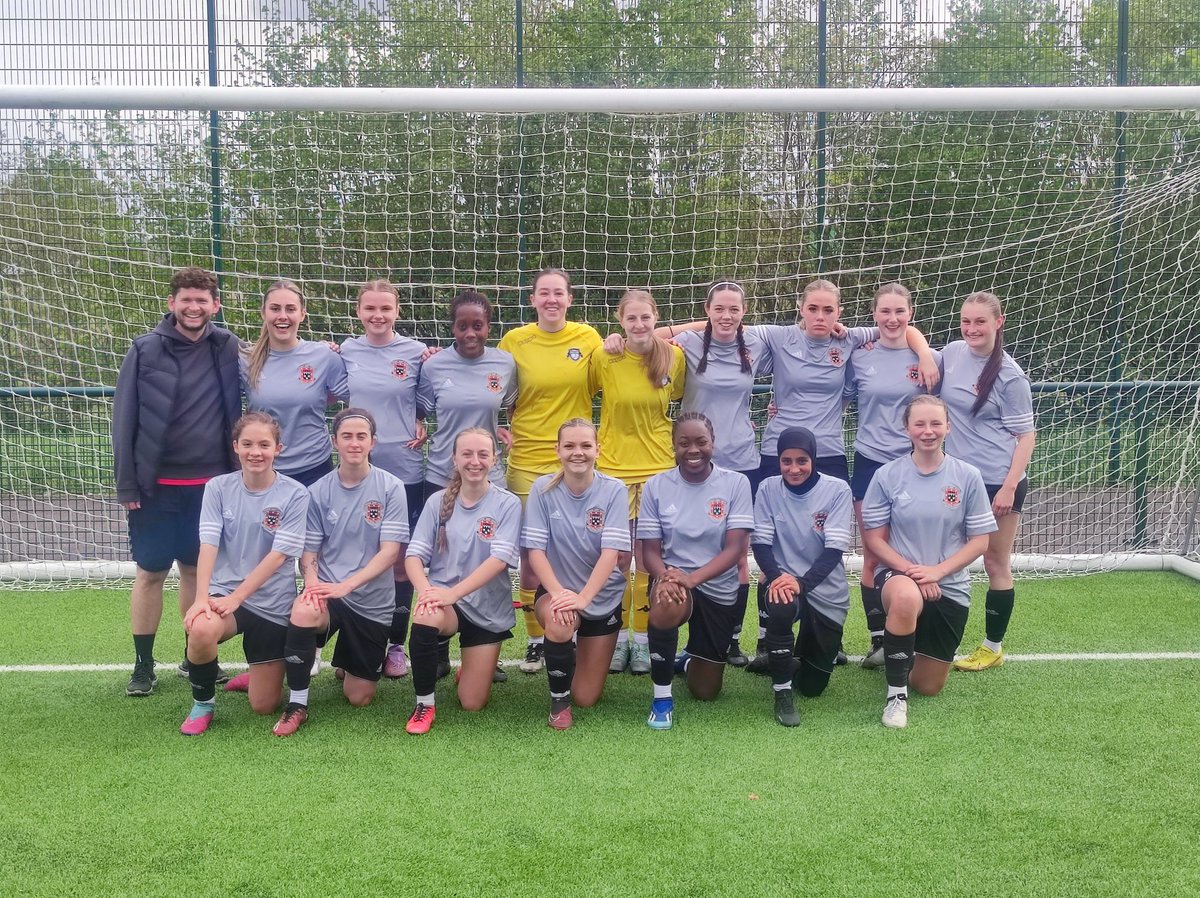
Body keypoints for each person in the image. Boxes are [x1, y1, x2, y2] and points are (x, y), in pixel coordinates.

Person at [743, 277, 938, 673]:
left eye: (828, 309)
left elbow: (901, 324)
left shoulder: (850, 340)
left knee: (826, 545)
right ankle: (769, 638)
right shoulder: (779, 337)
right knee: (771, 546)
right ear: (800, 308)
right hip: (778, 450)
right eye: (812, 308)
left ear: (840, 314)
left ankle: (826, 634)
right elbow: (721, 325)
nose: (820, 315)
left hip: (829, 453)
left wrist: (926, 355)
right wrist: (673, 333)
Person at [602, 278, 773, 667]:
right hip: (691, 456)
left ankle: (730, 638)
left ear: (745, 312)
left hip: (741, 459)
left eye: (734, 309)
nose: (727, 315)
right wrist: (617, 336)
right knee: (673, 544)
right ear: (706, 310)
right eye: (719, 308)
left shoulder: (758, 343)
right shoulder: (690, 345)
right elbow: (647, 333)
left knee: (737, 555)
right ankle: (648, 633)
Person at [112, 265, 241, 697]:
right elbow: (124, 419)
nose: (193, 306)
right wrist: (128, 484)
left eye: (202, 300)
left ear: (214, 306)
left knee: (194, 572)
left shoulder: (227, 346)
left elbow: (275, 354)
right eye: (185, 299)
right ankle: (143, 665)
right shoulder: (145, 349)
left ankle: (193, 656)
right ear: (172, 304)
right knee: (150, 572)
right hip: (156, 486)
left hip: (211, 488)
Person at [861, 395, 997, 728]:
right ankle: (896, 697)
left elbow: (981, 541)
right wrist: (914, 573)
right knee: (907, 597)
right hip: (899, 577)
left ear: (948, 427)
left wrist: (937, 572)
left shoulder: (967, 476)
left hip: (947, 585)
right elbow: (874, 540)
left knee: (929, 685)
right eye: (919, 424)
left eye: (936, 423)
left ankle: (899, 647)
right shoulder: (887, 475)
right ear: (907, 429)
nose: (928, 431)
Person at [271, 408, 409, 737]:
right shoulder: (317, 491)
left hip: (370, 600)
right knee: (305, 611)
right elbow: (310, 552)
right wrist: (314, 584)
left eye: (361, 436)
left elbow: (390, 553)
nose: (354, 442)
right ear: (335, 441)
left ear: (373, 442)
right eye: (347, 436)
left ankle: (348, 662)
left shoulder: (391, 488)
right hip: (331, 591)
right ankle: (298, 704)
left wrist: (347, 585)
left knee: (359, 698)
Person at [179, 412, 310, 735]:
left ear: (278, 449)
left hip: (272, 604)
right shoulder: (218, 488)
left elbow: (278, 556)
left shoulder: (295, 494)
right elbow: (207, 544)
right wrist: (200, 599)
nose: (256, 452)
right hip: (225, 597)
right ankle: (203, 704)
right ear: (235, 446)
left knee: (264, 706)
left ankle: (260, 675)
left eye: (264, 444)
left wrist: (239, 597)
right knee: (200, 627)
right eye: (248, 444)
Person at [498, 269, 603, 674]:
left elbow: (610, 377)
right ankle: (537, 640)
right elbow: (491, 388)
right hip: (527, 459)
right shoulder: (514, 341)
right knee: (530, 553)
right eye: (544, 293)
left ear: (570, 299)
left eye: (558, 293)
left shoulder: (588, 338)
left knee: (580, 544)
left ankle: (583, 624)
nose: (552, 300)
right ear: (533, 299)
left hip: (576, 458)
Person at [590, 290, 686, 676]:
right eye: (632, 319)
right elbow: (584, 398)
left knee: (649, 560)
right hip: (613, 469)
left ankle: (642, 642)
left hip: (659, 470)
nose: (639, 324)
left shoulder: (673, 357)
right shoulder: (605, 356)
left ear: (656, 317)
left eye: (646, 317)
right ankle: (614, 641)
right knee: (618, 559)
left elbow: (676, 399)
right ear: (620, 321)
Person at [638, 413, 754, 729]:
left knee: (705, 692)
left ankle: (690, 659)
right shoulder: (656, 486)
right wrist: (666, 577)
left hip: (716, 586)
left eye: (701, 442)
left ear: (712, 443)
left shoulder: (736, 483)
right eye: (684, 443)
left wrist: (692, 579)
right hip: (673, 581)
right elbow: (649, 551)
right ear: (673, 446)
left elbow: (735, 549)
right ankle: (662, 699)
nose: (693, 450)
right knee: (664, 602)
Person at [844, 283, 939, 669]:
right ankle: (879, 639)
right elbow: (836, 395)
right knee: (873, 552)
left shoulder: (930, 359)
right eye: (885, 312)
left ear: (910, 314)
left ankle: (918, 631)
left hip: (913, 464)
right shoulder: (859, 355)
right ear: (874, 315)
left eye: (900, 311)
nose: (893, 319)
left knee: (917, 548)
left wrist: (924, 352)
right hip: (870, 462)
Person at [403, 428, 522, 734]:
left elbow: (497, 562)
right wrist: (428, 592)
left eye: (483, 454)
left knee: (472, 702)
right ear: (454, 458)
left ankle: (470, 671)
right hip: (446, 604)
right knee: (426, 614)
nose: (475, 461)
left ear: (494, 459)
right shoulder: (436, 502)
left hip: (487, 609)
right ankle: (424, 705)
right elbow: (414, 556)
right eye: (467, 454)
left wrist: (451, 593)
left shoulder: (507, 504)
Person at [942, 292, 1037, 672]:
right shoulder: (951, 352)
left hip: (998, 482)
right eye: (966, 321)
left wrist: (1010, 487)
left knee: (995, 561)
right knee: (944, 559)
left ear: (998, 322)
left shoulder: (1011, 376)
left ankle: (992, 646)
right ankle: (937, 639)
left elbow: (1026, 437)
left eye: (980, 321)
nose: (971, 329)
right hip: (955, 481)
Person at [339, 279, 428, 680]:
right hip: (355, 475)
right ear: (358, 311)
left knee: (398, 563)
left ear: (396, 312)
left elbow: (425, 401)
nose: (378, 315)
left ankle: (395, 646)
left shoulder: (415, 353)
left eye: (385, 309)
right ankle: (350, 644)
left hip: (405, 471)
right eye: (370, 308)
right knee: (353, 555)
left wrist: (422, 421)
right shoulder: (344, 352)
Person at [523, 419, 631, 729]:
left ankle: (572, 660)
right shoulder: (542, 489)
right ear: (557, 450)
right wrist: (560, 596)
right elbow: (536, 554)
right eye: (569, 446)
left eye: (585, 445)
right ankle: (559, 701)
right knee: (560, 620)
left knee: (587, 696)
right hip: (559, 593)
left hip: (601, 598)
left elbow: (611, 555)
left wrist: (582, 598)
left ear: (598, 449)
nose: (578, 452)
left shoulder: (614, 490)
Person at [751, 427, 853, 727]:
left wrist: (801, 583)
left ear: (814, 459)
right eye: (786, 461)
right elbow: (760, 544)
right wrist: (777, 577)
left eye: (801, 460)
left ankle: (783, 657)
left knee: (812, 687)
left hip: (823, 589)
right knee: (780, 602)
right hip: (784, 582)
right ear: (779, 461)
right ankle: (781, 692)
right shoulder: (768, 488)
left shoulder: (837, 490)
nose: (794, 468)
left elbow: (834, 551)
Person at [241, 279, 349, 486]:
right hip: (264, 468)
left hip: (315, 468)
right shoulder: (246, 359)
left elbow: (361, 396)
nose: (283, 316)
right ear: (263, 313)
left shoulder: (323, 356)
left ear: (302, 314)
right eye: (275, 308)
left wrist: (414, 416)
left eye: (290, 309)